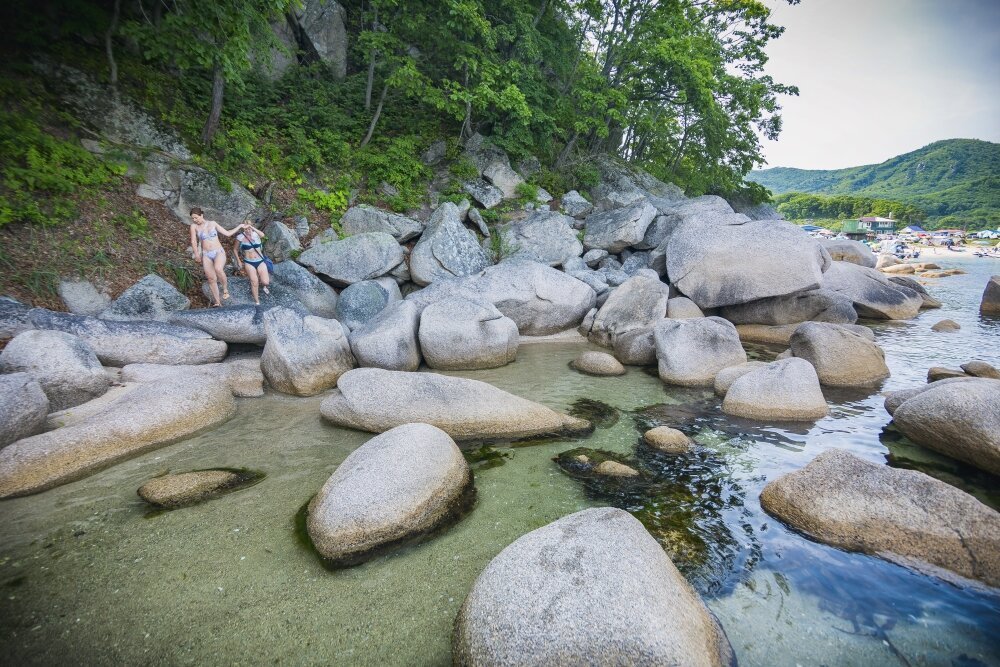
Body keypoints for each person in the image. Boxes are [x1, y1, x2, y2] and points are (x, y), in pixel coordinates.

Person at [189, 207, 242, 307]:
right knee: (211, 278)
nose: (194, 220)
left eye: (196, 218)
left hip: (218, 252)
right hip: (206, 254)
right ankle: (218, 302)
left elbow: (228, 233)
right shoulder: (193, 227)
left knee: (218, 268)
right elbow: (193, 241)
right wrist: (196, 254)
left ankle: (225, 289)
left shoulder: (212, 223)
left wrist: (239, 226)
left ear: (201, 215)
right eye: (193, 219)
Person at [233, 220, 272, 306]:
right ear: (243, 228)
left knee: (265, 282)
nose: (247, 230)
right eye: (246, 228)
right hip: (249, 262)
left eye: (249, 228)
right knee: (254, 282)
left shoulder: (256, 234)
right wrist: (238, 260)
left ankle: (264, 286)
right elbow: (235, 249)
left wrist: (252, 228)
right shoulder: (240, 237)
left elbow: (263, 235)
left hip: (260, 261)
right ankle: (257, 301)